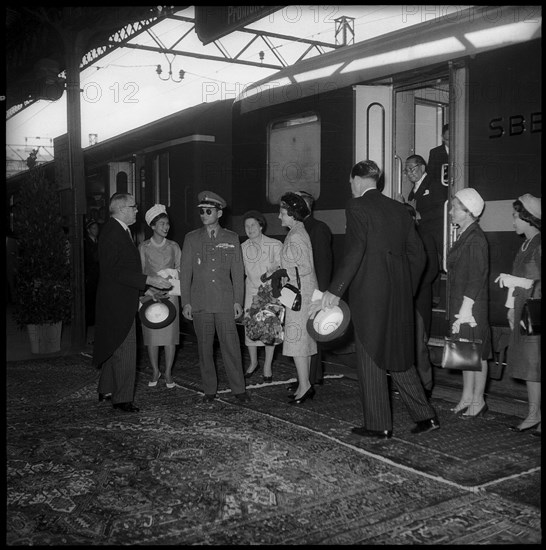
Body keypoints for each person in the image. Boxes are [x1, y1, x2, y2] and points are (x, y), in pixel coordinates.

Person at [313, 160, 439, 439]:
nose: (350, 185)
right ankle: (426, 416)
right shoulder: (398, 208)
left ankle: (378, 423)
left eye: (350, 180)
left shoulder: (356, 206)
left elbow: (355, 250)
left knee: (370, 353)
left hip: (370, 295)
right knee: (399, 355)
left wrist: (335, 290)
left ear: (357, 179)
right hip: (400, 294)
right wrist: (407, 287)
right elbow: (417, 254)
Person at [93, 193, 172, 413]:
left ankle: (106, 389)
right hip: (117, 302)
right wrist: (148, 279)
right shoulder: (113, 233)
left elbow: (122, 272)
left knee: (113, 345)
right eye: (133, 206)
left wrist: (147, 288)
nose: (137, 210)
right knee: (126, 350)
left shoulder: (118, 230)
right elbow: (115, 271)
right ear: (120, 208)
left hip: (117, 298)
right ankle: (122, 399)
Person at [179, 191, 249, 403]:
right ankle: (209, 389)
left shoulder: (231, 238)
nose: (204, 214)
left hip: (224, 302)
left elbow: (238, 273)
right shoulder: (191, 238)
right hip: (200, 303)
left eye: (208, 211)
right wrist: (186, 302)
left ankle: (239, 389)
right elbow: (185, 273)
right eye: (201, 211)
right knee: (204, 348)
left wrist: (238, 300)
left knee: (231, 347)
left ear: (219, 213)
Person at [495, 194, 541, 435]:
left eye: (515, 216)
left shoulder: (540, 244)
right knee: (528, 363)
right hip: (524, 307)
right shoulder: (524, 245)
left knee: (534, 362)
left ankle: (534, 414)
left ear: (528, 219)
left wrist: (523, 284)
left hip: (535, 308)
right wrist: (512, 307)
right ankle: (535, 414)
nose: (512, 220)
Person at [447, 188, 491, 418]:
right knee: (465, 351)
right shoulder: (466, 234)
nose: (451, 211)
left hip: (471, 306)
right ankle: (466, 396)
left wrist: (466, 308)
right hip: (462, 304)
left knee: (478, 352)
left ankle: (478, 399)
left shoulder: (475, 238)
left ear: (468, 211)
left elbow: (477, 276)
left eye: (455, 207)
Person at [277, 192, 319, 404]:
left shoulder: (295, 235)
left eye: (283, 213)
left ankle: (305, 386)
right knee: (304, 342)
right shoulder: (298, 231)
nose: (279, 217)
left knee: (297, 341)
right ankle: (305, 384)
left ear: (292, 215)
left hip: (299, 296)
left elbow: (304, 267)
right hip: (304, 292)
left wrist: (286, 277)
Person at [139, 204, 181, 389]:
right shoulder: (144, 247)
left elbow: (182, 269)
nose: (166, 227)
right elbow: (139, 272)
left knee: (170, 337)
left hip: (170, 294)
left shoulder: (174, 246)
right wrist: (149, 289)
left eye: (167, 224)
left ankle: (169, 372)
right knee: (152, 337)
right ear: (153, 226)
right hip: (150, 296)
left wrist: (172, 274)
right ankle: (155, 370)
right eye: (162, 224)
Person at [295, 190, 333, 387]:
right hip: (301, 291)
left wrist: (320, 295)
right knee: (302, 336)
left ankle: (311, 378)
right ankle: (305, 378)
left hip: (314, 291)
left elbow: (323, 265)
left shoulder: (318, 229)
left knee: (311, 334)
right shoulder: (299, 229)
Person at [241, 210, 282, 382]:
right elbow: (241, 272)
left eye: (253, 225)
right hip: (251, 292)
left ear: (261, 226)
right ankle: (253, 363)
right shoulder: (241, 248)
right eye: (246, 226)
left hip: (270, 294)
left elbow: (281, 269)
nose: (250, 229)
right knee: (250, 328)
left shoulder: (275, 244)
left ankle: (267, 366)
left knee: (269, 330)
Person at [404, 202, 436, 399]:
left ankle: (426, 385)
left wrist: (410, 288)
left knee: (420, 346)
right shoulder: (400, 238)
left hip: (418, 298)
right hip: (405, 299)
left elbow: (431, 270)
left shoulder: (425, 238)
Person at [84, 220, 100, 344]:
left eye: (97, 228)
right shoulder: (86, 243)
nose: (96, 230)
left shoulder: (97, 242)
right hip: (90, 275)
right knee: (89, 301)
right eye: (93, 228)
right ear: (89, 230)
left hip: (98, 275)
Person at [427, 123, 449, 188]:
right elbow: (430, 176)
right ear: (442, 138)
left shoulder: (463, 151)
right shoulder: (435, 153)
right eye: (448, 140)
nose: (451, 142)